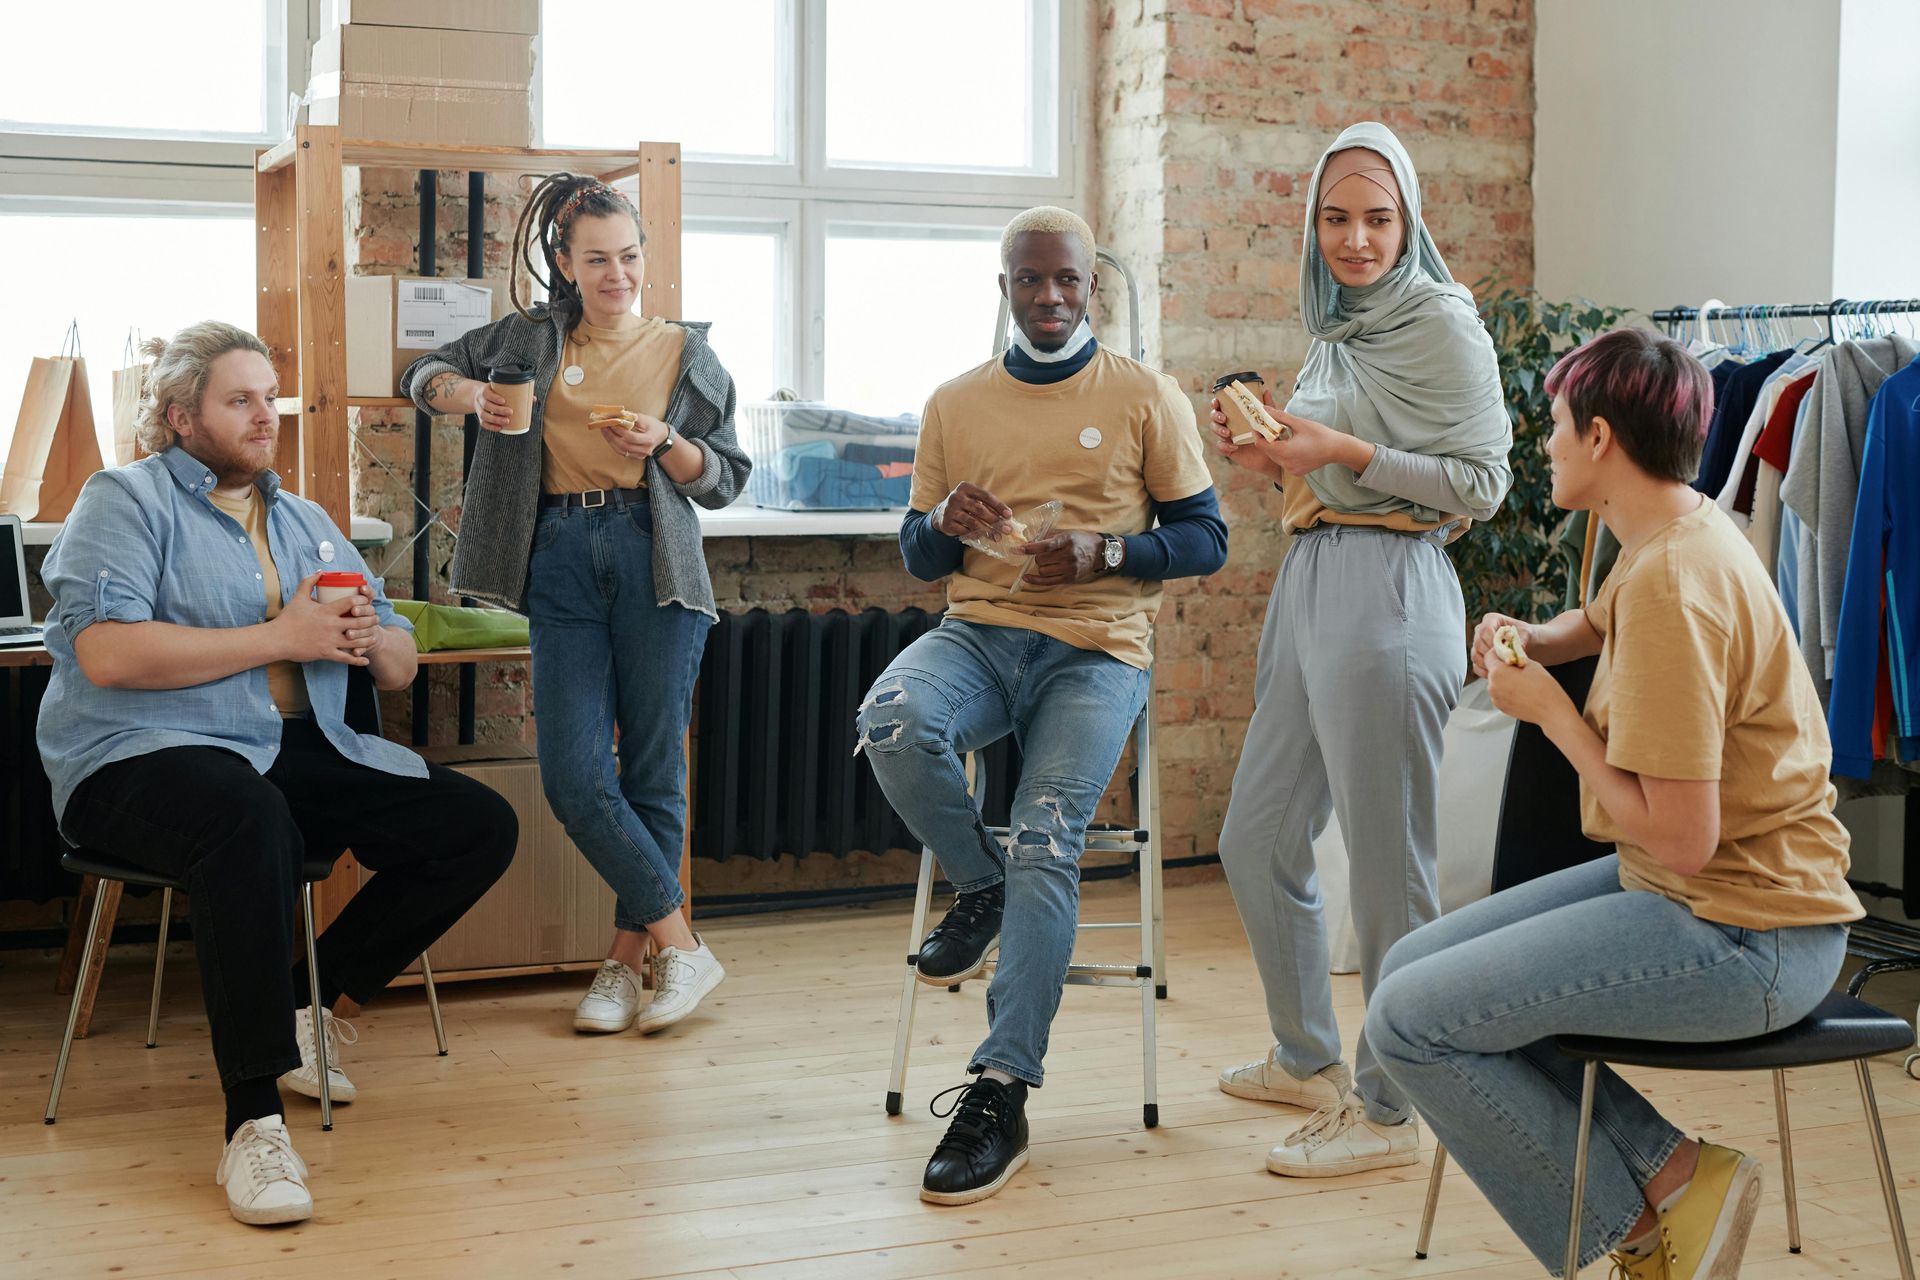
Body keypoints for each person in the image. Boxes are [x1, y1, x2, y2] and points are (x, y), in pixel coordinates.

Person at [1366, 327, 1863, 1278]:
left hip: (1747, 934)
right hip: (1703, 897)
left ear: (1599, 439)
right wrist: (1534, 641)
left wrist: (1552, 715)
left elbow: (1683, 837)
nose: (1544, 445)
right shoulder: (1674, 529)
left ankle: (1642, 1243)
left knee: (1410, 1022)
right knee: (1410, 970)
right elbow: (1589, 623)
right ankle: (1678, 1175)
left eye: (1554, 426)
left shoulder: (1679, 578)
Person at [39, 321, 518, 1225]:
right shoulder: (124, 500)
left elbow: (399, 657)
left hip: (288, 750)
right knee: (246, 820)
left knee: (476, 826)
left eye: (270, 396)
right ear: (181, 417)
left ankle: (310, 1004)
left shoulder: (303, 519)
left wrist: (376, 641)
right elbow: (105, 654)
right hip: (139, 754)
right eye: (240, 400)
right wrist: (281, 638)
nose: (267, 417)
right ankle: (253, 1124)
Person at [857, 206, 1227, 1206]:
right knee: (890, 718)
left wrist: (1109, 551)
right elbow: (919, 554)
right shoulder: (954, 401)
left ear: (1091, 287)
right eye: (1032, 281)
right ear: (1006, 287)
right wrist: (939, 520)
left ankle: (1002, 1084)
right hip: (977, 635)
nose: (1051, 297)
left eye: (1068, 280)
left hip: (1097, 651)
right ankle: (980, 887)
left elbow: (1206, 539)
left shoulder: (1148, 396)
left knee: (1048, 832)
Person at [1207, 121, 1512, 1176]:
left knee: (1391, 873)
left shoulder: (1441, 323)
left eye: (1379, 217)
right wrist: (1275, 453)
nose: (1357, 239)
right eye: (1336, 218)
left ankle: (1391, 1111)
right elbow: (1332, 472)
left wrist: (1343, 449)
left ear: (1410, 217)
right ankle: (1307, 1056)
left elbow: (1481, 482)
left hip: (1392, 591)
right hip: (1315, 579)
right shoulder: (1341, 325)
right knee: (1256, 838)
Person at [404, 174, 751, 1038]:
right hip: (558, 556)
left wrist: (666, 443)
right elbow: (423, 370)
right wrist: (467, 397)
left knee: (652, 773)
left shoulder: (686, 353)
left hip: (655, 559)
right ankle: (682, 941)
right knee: (572, 774)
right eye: (597, 259)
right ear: (564, 262)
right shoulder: (529, 337)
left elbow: (727, 479)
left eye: (629, 256)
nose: (617, 274)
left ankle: (627, 963)